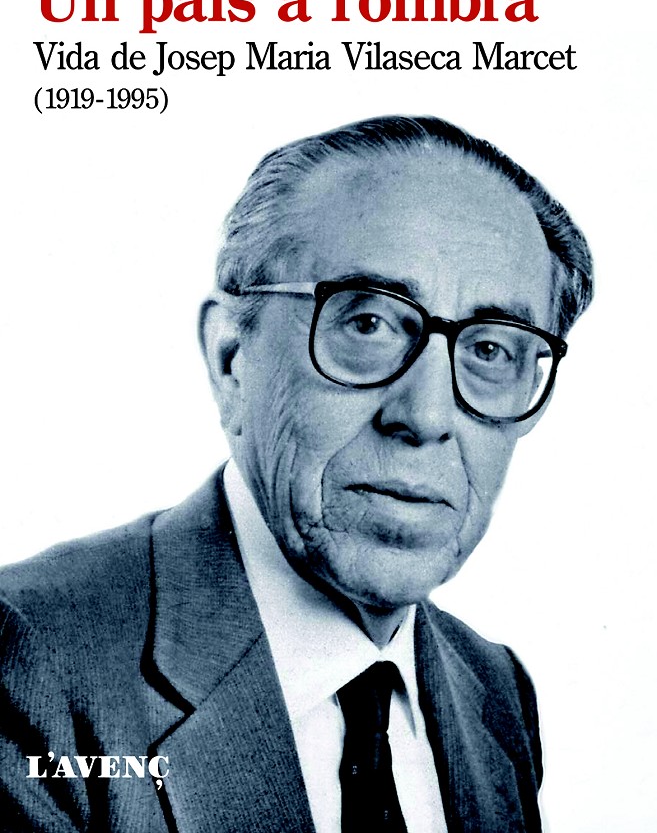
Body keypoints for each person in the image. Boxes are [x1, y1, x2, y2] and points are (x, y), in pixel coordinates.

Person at [0, 115, 593, 833]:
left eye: (491, 350)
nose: (427, 415)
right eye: (368, 323)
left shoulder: (494, 692)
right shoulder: (28, 661)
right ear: (231, 356)